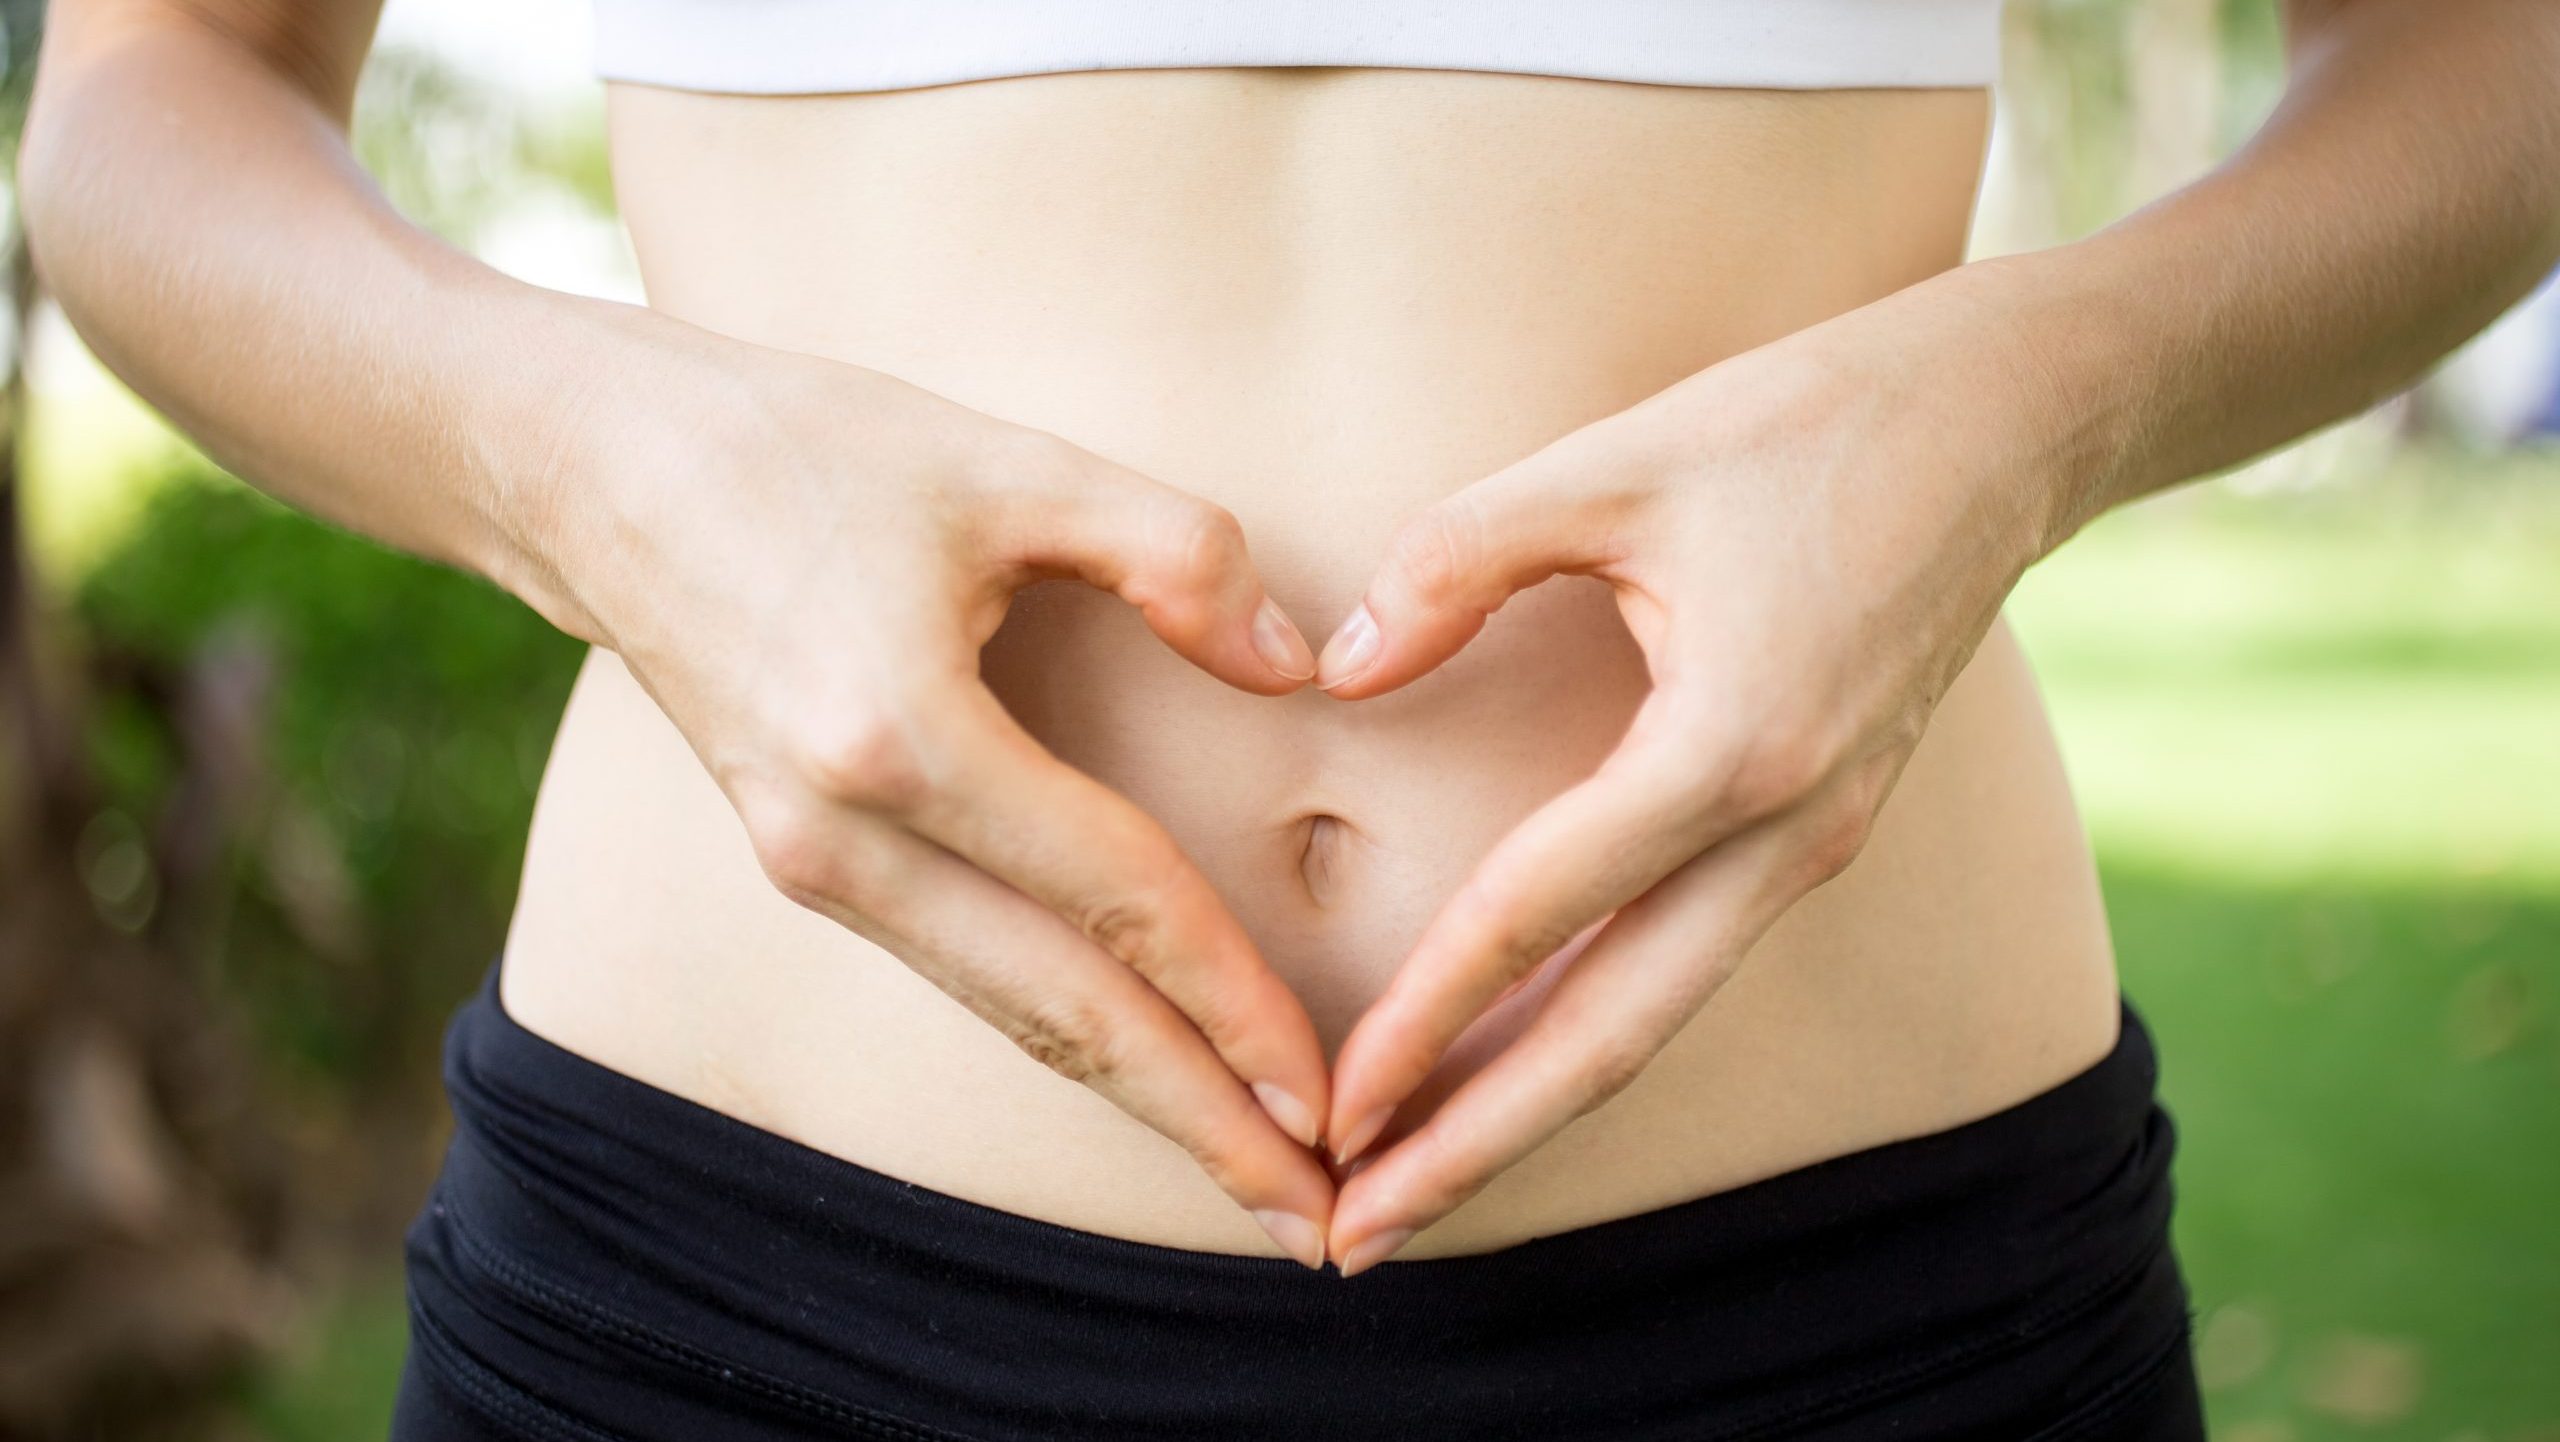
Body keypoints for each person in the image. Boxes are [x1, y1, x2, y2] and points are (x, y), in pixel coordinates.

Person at [21, 1, 2559, 1437]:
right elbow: (151, 112)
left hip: (1837, 1304)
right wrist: (609, 472)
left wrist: (2017, 416)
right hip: (746, 1294)